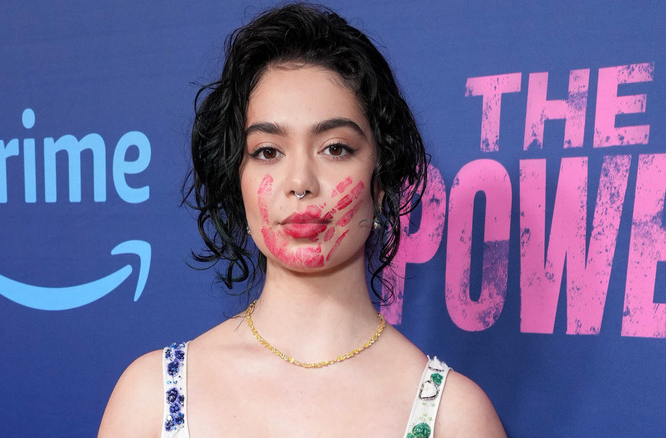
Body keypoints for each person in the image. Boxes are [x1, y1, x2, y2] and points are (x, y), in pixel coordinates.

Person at [99, 4, 505, 437]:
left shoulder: (453, 417)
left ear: (381, 178)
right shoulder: (152, 395)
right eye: (267, 151)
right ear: (236, 177)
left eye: (335, 148)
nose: (300, 182)